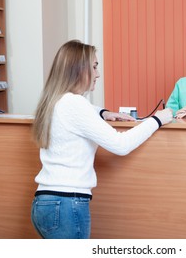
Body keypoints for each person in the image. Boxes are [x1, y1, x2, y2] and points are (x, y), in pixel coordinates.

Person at [31, 40, 173, 239]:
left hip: (45, 204)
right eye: (94, 66)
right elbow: (120, 145)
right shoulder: (75, 104)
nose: (98, 74)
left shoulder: (55, 100)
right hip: (67, 205)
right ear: (79, 69)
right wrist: (157, 120)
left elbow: (79, 115)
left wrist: (104, 113)